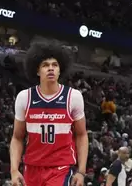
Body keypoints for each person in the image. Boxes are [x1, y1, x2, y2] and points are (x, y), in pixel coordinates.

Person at [10, 43, 88, 186]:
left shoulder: (73, 97)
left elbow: (81, 135)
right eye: (45, 65)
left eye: (55, 65)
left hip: (60, 168)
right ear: (38, 70)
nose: (51, 68)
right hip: (32, 168)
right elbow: (17, 137)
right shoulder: (25, 97)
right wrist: (14, 170)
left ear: (60, 70)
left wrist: (81, 171)